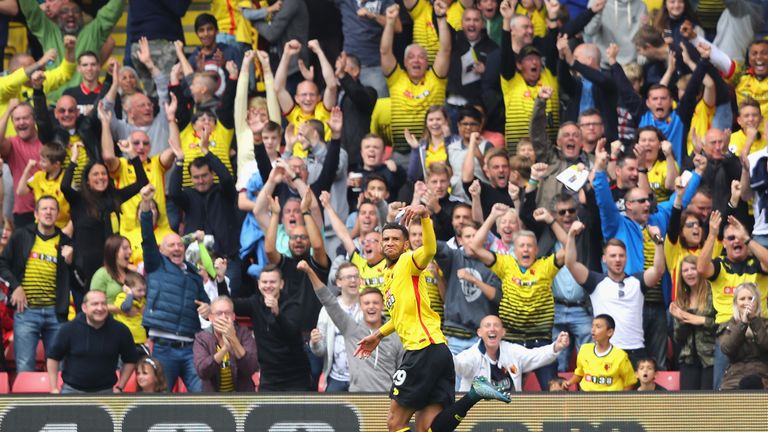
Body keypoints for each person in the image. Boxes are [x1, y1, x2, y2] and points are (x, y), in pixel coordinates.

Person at [355, 205, 511, 432]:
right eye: (385, 239)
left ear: (406, 245)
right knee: (426, 429)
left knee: (394, 423)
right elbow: (401, 315)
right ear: (380, 244)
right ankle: (474, 394)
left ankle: (475, 394)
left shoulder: (408, 262)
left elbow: (428, 250)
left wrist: (426, 217)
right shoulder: (388, 276)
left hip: (422, 352)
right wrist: (379, 334)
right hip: (437, 351)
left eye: (395, 239)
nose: (389, 242)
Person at [469, 203, 565, 389]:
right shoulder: (506, 264)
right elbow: (475, 246)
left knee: (553, 390)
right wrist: (491, 217)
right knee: (507, 392)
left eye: (530, 246)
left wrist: (550, 220)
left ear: (536, 250)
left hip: (541, 341)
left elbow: (569, 246)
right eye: (522, 246)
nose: (526, 250)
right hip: (510, 341)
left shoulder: (546, 266)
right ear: (516, 249)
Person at [139, 184, 210, 393]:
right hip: (163, 347)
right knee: (161, 402)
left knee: (202, 398)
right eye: (171, 245)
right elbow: (146, 236)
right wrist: (145, 204)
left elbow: (205, 302)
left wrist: (207, 309)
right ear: (161, 250)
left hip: (190, 347)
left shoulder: (193, 274)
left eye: (180, 244)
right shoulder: (155, 263)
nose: (177, 248)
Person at [565, 221, 666, 366]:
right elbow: (570, 264)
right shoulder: (595, 281)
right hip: (607, 351)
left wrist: (658, 241)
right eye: (613, 256)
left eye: (621, 256)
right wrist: (571, 235)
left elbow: (658, 270)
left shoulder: (637, 281)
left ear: (626, 258)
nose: (617, 260)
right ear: (604, 259)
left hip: (635, 351)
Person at [300, 261, 404, 392]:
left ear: (383, 306)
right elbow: (327, 300)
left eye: (376, 303)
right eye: (367, 303)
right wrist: (309, 271)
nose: (371, 306)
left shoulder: (395, 334)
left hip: (386, 396)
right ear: (361, 306)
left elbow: (402, 369)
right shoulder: (351, 329)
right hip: (352, 391)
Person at [61, 142, 147, 293]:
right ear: (87, 180)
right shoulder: (79, 200)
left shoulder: (115, 197)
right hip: (84, 265)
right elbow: (65, 186)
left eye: (103, 174)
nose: (100, 177)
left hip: (110, 264)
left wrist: (132, 155)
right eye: (95, 174)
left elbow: (142, 182)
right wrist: (74, 158)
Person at [0, 196, 73, 372]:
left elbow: (79, 280)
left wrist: (72, 263)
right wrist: (16, 286)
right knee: (24, 365)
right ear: (36, 214)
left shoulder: (66, 242)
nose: (48, 212)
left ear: (57, 214)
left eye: (52, 209)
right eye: (44, 209)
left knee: (59, 368)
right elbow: (2, 263)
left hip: (56, 313)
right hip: (26, 312)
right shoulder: (21, 235)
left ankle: (56, 400)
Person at [380, 2, 451, 161]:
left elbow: (445, 50)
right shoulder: (396, 78)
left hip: (433, 150)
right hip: (401, 152)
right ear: (404, 62)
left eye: (421, 57)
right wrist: (390, 23)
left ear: (427, 63)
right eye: (411, 57)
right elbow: (385, 51)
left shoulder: (436, 79)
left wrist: (441, 19)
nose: (416, 61)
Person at [18, 0, 125, 101]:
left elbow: (112, 11)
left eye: (76, 12)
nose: (70, 15)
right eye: (65, 12)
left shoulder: (93, 32)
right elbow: (31, 11)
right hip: (54, 104)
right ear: (58, 17)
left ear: (82, 16)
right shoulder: (49, 32)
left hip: (86, 102)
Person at [233, 264, 311, 391]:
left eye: (273, 282)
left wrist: (277, 312)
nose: (268, 286)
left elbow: (291, 331)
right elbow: (229, 305)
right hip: (269, 377)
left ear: (281, 284)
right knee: (268, 411)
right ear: (258, 284)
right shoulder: (254, 303)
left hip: (296, 377)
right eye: (264, 282)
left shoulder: (293, 304)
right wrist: (220, 280)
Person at [46, 290, 138, 394]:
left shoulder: (120, 330)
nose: (100, 308)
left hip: (106, 392)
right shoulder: (68, 329)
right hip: (71, 391)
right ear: (84, 308)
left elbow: (130, 360)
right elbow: (53, 357)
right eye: (95, 304)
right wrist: (53, 388)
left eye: (103, 303)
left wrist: (120, 387)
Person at [454, 315, 569, 393]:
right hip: (477, 415)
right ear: (479, 332)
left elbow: (535, 355)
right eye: (487, 325)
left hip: (510, 414)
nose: (492, 329)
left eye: (496, 325)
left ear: (503, 332)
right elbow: (457, 365)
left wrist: (556, 347)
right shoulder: (471, 355)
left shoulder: (512, 351)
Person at [193, 296, 259, 392]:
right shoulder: (202, 338)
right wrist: (225, 349)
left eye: (227, 313)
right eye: (219, 313)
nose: (224, 317)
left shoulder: (244, 334)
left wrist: (234, 340)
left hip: (241, 398)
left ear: (233, 316)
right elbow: (203, 372)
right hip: (213, 400)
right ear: (211, 317)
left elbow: (251, 367)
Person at [669, 255, 716, 390]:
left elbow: (721, 325)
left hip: (710, 359)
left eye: (693, 269)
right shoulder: (681, 300)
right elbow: (678, 338)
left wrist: (701, 320)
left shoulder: (712, 294)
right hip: (688, 360)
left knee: (708, 405)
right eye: (685, 270)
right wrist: (681, 319)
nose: (689, 273)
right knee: (688, 406)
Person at [567, 314, 638, 391]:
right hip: (586, 398)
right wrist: (568, 383)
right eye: (592, 326)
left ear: (610, 332)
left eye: (598, 327)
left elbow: (629, 382)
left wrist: (621, 401)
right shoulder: (584, 349)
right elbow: (579, 373)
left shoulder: (620, 356)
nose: (593, 330)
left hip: (610, 399)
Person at [718, 282, 768, 390]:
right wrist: (743, 323)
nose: (746, 302)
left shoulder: (765, 324)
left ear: (757, 303)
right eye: (742, 299)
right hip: (734, 377)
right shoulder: (728, 325)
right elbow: (727, 349)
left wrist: (754, 320)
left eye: (751, 299)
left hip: (762, 376)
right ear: (736, 303)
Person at [89, 235, 134, 312]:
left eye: (130, 248)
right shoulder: (101, 274)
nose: (130, 251)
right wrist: (122, 309)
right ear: (113, 251)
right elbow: (93, 303)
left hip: (134, 322)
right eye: (125, 248)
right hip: (111, 321)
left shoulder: (132, 273)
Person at [113, 270, 148, 358]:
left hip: (139, 340)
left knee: (145, 363)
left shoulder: (143, 301)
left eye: (144, 290)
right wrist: (129, 294)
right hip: (124, 339)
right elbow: (126, 307)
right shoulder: (122, 297)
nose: (143, 293)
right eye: (139, 290)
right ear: (127, 288)